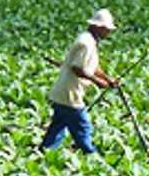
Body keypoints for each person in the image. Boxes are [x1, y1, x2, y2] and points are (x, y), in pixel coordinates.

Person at [40, 9, 120, 154]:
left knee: (58, 126)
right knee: (83, 128)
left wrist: (109, 79)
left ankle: (45, 151)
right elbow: (77, 68)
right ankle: (91, 155)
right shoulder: (86, 43)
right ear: (99, 27)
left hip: (63, 94)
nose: (108, 33)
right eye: (107, 29)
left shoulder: (89, 40)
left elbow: (93, 67)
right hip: (69, 95)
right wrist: (97, 82)